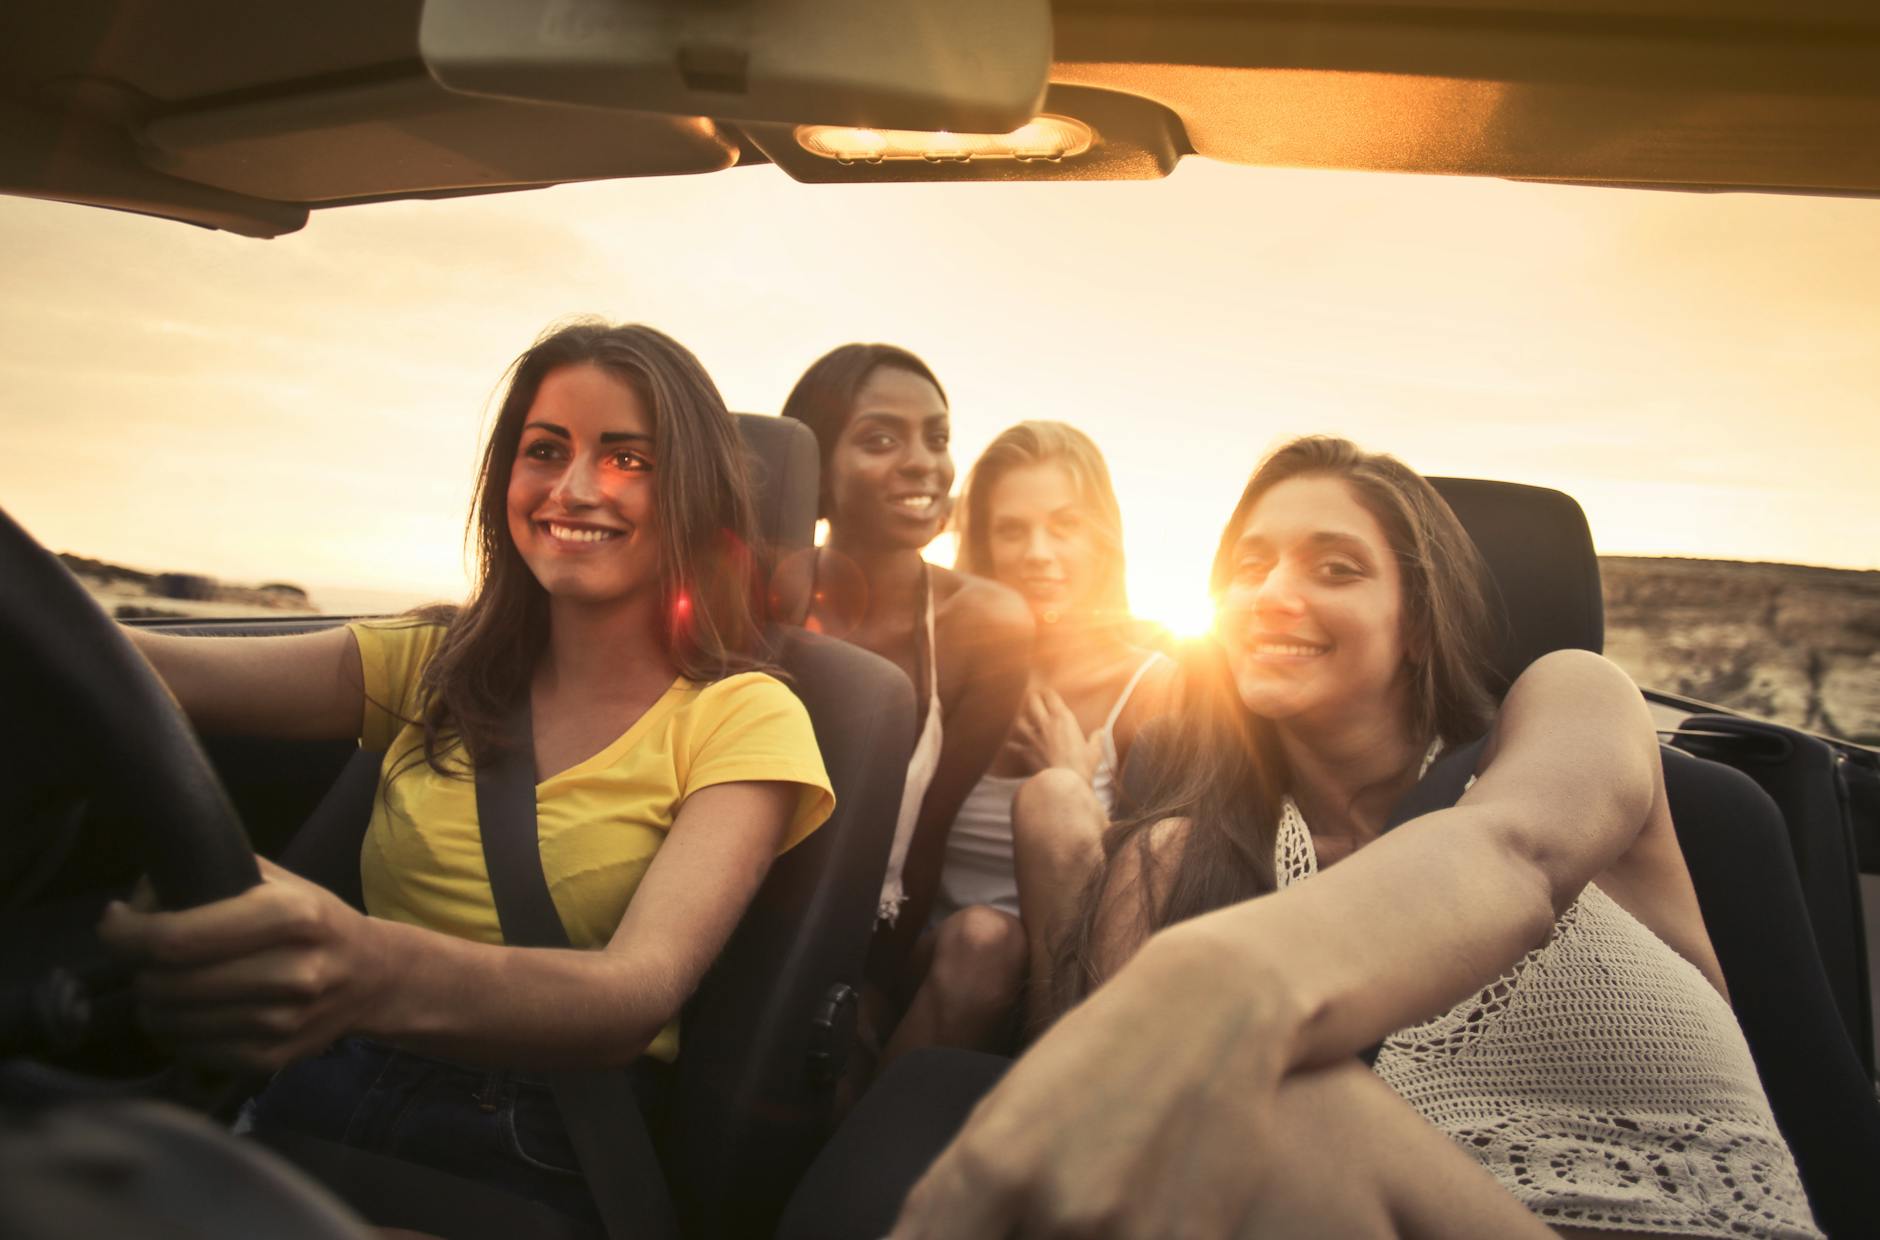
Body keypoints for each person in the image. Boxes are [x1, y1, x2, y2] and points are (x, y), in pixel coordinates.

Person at [808, 435, 1820, 1239]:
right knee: (1250, 1107)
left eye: (1334, 566)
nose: (1275, 591)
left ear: (1417, 617)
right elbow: (1137, 1137)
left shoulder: (1569, 703)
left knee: (1263, 1091)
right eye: (1247, 565)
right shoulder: (1179, 854)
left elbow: (1514, 853)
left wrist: (1215, 983)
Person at [99, 321, 835, 1230]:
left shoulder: (743, 715)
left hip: (533, 1141)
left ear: (692, 494)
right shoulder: (433, 663)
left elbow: (631, 995)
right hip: (318, 1087)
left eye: (628, 459)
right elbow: (127, 672)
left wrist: (362, 964)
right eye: (545, 450)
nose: (574, 488)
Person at [776, 344, 1032, 1060]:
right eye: (881, 439)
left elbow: (924, 839)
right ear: (816, 470)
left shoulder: (989, 625)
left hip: (866, 942)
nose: (925, 462)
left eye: (938, 437)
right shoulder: (759, 599)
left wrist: (869, 990)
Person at [892, 421, 1174, 1054]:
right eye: (1012, 529)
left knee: (1053, 803)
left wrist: (1074, 785)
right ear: (984, 545)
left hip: (1076, 992)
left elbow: (1155, 895)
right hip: (944, 970)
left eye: (1064, 525)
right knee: (986, 942)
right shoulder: (946, 669)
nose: (1037, 552)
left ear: (1101, 538)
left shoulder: (1154, 686)